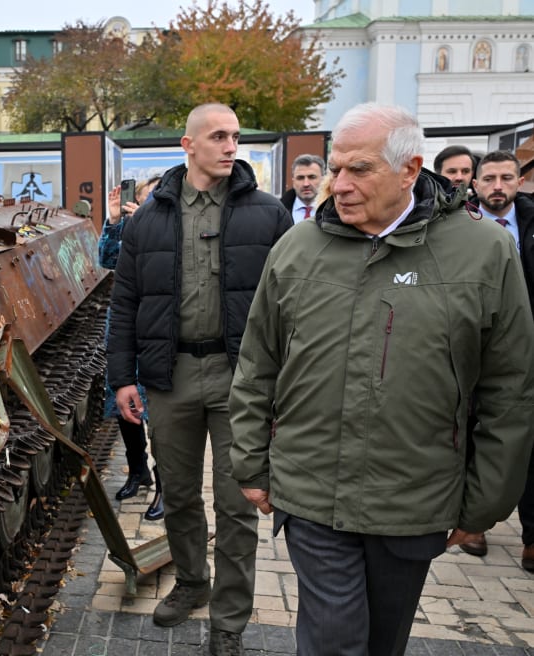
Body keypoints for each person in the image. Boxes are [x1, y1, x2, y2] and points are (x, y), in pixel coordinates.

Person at [229, 104, 534, 656]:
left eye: (359, 170)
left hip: (414, 498)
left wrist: (484, 502)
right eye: (334, 168)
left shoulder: (485, 252)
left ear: (410, 170)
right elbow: (257, 364)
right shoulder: (297, 249)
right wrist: (250, 461)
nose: (338, 185)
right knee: (333, 642)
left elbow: (510, 390)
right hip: (312, 491)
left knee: (383, 642)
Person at [107, 103, 292, 655]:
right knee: (180, 492)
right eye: (218, 136)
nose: (231, 145)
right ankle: (192, 581)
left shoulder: (269, 216)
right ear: (187, 145)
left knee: (238, 503)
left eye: (235, 136)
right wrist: (122, 378)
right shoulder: (149, 220)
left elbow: (291, 307)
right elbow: (126, 302)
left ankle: (230, 620)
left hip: (244, 377)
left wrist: (284, 387)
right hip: (172, 376)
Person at [458, 149, 534, 563]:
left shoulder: (529, 225)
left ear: (520, 182)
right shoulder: (460, 229)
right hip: (475, 346)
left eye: (507, 178)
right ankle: (476, 523)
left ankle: (531, 534)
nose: (498, 186)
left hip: (525, 347)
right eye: (489, 179)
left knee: (523, 437)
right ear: (476, 183)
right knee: (474, 433)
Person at [101, 176, 164, 521]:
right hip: (126, 326)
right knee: (124, 407)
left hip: (159, 327)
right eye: (145, 196)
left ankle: (166, 486)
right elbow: (106, 260)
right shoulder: (127, 226)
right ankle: (137, 470)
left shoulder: (172, 226)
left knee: (160, 413)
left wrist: (148, 224)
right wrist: (114, 221)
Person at [279, 154, 326, 224]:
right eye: (300, 178)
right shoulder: (279, 211)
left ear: (323, 180)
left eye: (312, 177)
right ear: (293, 181)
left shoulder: (335, 211)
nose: (306, 184)